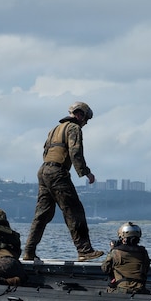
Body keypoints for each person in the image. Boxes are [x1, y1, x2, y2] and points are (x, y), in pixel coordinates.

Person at [23, 102, 105, 262]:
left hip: (43, 170)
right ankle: (84, 251)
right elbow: (76, 152)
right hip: (57, 173)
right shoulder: (74, 128)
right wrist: (86, 172)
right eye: (86, 119)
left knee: (42, 214)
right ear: (80, 115)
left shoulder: (54, 129)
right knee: (74, 211)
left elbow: (46, 151)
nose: (86, 123)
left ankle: (28, 251)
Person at [101, 222, 151, 294]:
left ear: (123, 239)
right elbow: (146, 269)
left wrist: (112, 249)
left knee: (108, 290)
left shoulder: (116, 252)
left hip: (122, 290)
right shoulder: (143, 252)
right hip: (140, 290)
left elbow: (105, 268)